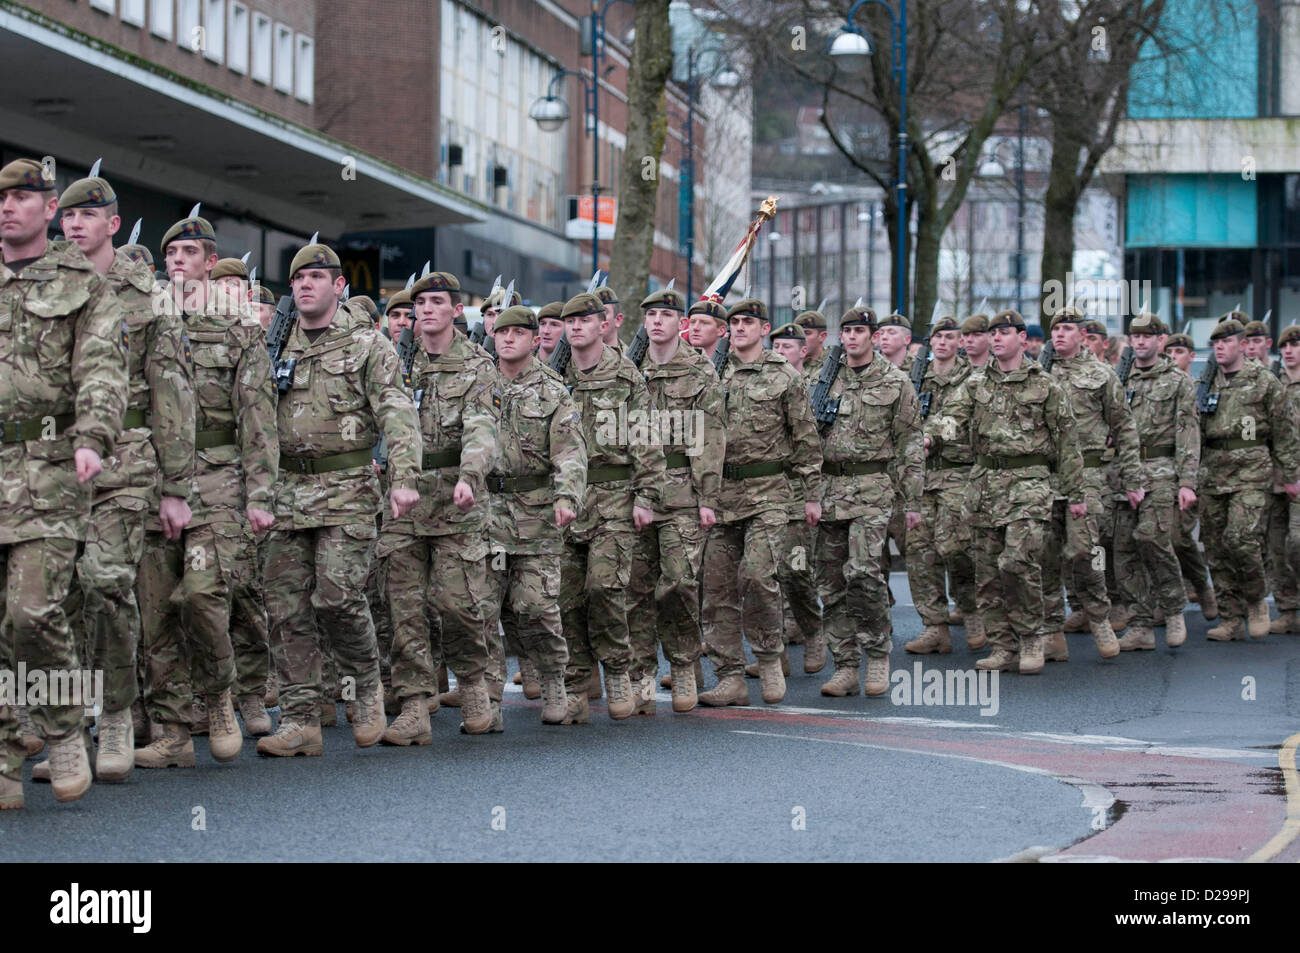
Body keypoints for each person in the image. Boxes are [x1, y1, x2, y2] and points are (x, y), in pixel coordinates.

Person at [53, 172, 196, 781]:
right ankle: (68, 725)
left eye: (88, 216)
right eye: (67, 216)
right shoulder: (42, 289)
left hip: (127, 463)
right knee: (59, 597)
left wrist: (175, 488)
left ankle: (115, 716)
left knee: (107, 584)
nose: (75, 224)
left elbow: (173, 395)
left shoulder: (147, 297)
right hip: (54, 467)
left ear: (113, 225)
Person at [256, 241, 421, 757]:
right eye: (298, 279)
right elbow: (252, 421)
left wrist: (404, 477)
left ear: (338, 285)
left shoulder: (368, 345)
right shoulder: (272, 345)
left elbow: (397, 413)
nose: (305, 285)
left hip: (347, 488)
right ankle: (301, 717)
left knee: (337, 594)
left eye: (316, 277)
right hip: (285, 490)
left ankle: (366, 686)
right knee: (285, 607)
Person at [0, 159, 128, 808]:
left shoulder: (81, 283)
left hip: (49, 472)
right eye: (1, 197)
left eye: (23, 197)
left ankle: (61, 725)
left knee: (32, 610)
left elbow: (103, 365)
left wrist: (92, 435)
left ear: (49, 210)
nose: (8, 207)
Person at [134, 210, 277, 770]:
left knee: (201, 595)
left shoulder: (238, 330)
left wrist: (260, 495)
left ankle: (218, 696)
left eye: (188, 254)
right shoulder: (147, 323)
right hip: (152, 480)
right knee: (155, 609)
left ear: (210, 261)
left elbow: (258, 419)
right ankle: (170, 730)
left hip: (217, 481)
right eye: (170, 255)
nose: (176, 262)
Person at [377, 271, 498, 741]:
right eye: (418, 304)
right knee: (404, 607)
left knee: (457, 603)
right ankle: (413, 707)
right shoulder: (392, 360)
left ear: (454, 311)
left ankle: (471, 683)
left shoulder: (477, 365)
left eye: (435, 302)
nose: (424, 310)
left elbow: (482, 426)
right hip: (403, 502)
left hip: (455, 501)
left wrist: (471, 476)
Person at [933, 310, 1085, 674]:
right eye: (993, 333)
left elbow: (1067, 441)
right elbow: (952, 418)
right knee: (986, 571)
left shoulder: (1045, 384)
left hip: (1029, 482)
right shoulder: (974, 383)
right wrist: (930, 435)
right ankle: (1003, 645)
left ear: (1021, 337)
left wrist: (1075, 493)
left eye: (1004, 333)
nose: (997, 338)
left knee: (1018, 563)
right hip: (984, 484)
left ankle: (1032, 638)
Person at [698, 298, 821, 706]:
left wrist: (811, 496)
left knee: (756, 577)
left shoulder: (784, 376)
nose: (739, 328)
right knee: (716, 588)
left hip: (770, 493)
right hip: (720, 494)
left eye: (748, 322)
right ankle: (730, 674)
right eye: (733, 323)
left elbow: (805, 440)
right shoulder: (712, 371)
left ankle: (769, 658)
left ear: (764, 328)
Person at [557, 291, 664, 722]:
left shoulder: (626, 377)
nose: (577, 327)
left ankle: (619, 670)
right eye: (571, 321)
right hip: (567, 503)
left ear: (604, 325)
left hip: (615, 500)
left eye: (586, 320)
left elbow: (647, 442)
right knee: (565, 598)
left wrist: (647, 497)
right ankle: (578, 683)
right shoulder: (554, 377)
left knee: (605, 589)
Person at [482, 305, 587, 724]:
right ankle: (486, 700)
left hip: (536, 516)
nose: (506, 339)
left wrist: (567, 499)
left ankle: (553, 679)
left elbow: (571, 453)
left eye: (516, 333)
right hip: (485, 516)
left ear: (532, 339)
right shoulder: (478, 384)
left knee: (534, 608)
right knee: (484, 609)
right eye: (501, 332)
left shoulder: (553, 391)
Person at [626, 287, 725, 713]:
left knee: (680, 584)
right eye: (650, 316)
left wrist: (708, 497)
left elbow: (709, 437)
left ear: (680, 323)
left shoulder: (700, 372)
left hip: (683, 490)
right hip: (633, 493)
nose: (656, 322)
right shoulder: (629, 370)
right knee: (634, 588)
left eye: (666, 315)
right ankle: (641, 676)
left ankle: (684, 665)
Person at [817, 306, 923, 696]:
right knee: (829, 582)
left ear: (873, 336)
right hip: (827, 491)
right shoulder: (822, 381)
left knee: (863, 574)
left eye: (859, 330)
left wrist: (912, 500)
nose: (852, 337)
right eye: (846, 331)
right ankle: (845, 664)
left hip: (872, 489)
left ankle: (877, 654)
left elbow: (911, 442)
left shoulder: (895, 382)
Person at [1044, 306, 1140, 662]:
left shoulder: (1102, 375)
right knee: (1045, 554)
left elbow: (1124, 428)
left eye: (1067, 329)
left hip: (1088, 475)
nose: (1059, 335)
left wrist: (1131, 478)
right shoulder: (1039, 374)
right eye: (1055, 329)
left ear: (1082, 336)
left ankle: (1099, 615)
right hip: (1045, 475)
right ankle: (1051, 630)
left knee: (1086, 550)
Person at [1198, 316, 1300, 641]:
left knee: (1241, 540)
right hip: (1213, 471)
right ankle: (1230, 618)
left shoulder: (1264, 380)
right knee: (1215, 547)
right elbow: (1191, 430)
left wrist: (1292, 475)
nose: (1219, 348)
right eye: (1215, 344)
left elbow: (1284, 431)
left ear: (1243, 345)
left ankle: (1256, 599)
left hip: (1252, 471)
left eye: (1226, 342)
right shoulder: (1206, 382)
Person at [1111, 313, 1198, 650]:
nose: (1141, 342)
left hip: (1162, 470)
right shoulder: (1120, 380)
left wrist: (1187, 482)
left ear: (1161, 340)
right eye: (1136, 336)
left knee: (1152, 539)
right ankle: (1140, 624)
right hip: (1124, 472)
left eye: (1148, 336)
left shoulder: (1178, 381)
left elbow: (1188, 434)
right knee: (1123, 550)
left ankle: (1175, 609)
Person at [904, 315, 982, 655]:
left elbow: (955, 420)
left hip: (957, 472)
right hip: (920, 476)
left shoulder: (973, 379)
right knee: (920, 552)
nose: (942, 343)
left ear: (960, 343)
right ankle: (934, 626)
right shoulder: (915, 377)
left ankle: (971, 607)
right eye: (937, 337)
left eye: (950, 338)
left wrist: (928, 437)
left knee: (957, 546)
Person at [761, 321, 822, 668]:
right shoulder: (766, 383)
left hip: (797, 493)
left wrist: (813, 494)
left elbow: (810, 445)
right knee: (762, 575)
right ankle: (775, 650)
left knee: (796, 571)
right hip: (766, 492)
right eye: (777, 346)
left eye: (789, 347)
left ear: (804, 351)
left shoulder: (814, 386)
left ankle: (813, 629)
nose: (781, 352)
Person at [1269, 324, 1300, 634]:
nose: (1289, 350)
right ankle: (1288, 609)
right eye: (1285, 347)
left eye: (1295, 345)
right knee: (1276, 545)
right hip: (1275, 474)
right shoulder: (1274, 383)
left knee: (1296, 541)